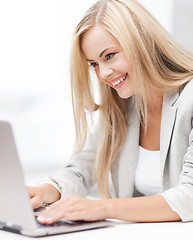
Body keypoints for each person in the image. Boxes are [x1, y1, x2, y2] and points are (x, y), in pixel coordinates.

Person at [28, 0, 193, 224]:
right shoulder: (123, 107)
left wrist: (104, 207)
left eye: (109, 56)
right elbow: (82, 167)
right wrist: (48, 190)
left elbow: (189, 196)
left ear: (140, 42)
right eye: (93, 64)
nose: (103, 74)